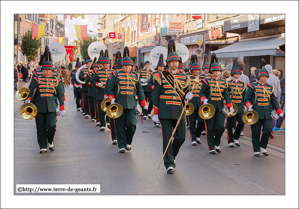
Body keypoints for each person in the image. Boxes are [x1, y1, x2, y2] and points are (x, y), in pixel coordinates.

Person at [152, 40, 192, 174]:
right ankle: (169, 163)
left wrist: (188, 95)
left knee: (181, 138)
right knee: (167, 138)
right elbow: (155, 95)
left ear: (179, 63)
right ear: (168, 63)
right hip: (164, 112)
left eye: (176, 62)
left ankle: (171, 156)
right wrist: (156, 112)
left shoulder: (184, 77)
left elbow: (186, 93)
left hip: (179, 111)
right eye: (172, 62)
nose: (174, 64)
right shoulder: (160, 76)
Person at [106, 46, 148, 153]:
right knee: (119, 126)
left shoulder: (136, 76)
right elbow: (109, 89)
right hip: (118, 104)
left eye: (129, 65)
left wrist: (143, 104)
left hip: (131, 104)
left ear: (132, 66)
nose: (127, 67)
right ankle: (122, 145)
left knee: (132, 125)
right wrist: (112, 99)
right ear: (122, 66)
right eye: (125, 65)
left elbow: (140, 91)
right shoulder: (116, 74)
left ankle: (129, 141)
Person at [244, 60, 282, 157]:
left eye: (266, 77)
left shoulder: (270, 87)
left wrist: (279, 111)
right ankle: (256, 149)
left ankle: (263, 146)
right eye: (262, 77)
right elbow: (247, 98)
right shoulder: (253, 86)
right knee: (256, 132)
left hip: (267, 113)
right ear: (259, 77)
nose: (264, 78)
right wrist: (249, 106)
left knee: (267, 131)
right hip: (255, 113)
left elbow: (274, 100)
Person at [27, 58, 65, 154]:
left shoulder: (56, 79)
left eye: (49, 70)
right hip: (39, 106)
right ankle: (43, 146)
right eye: (45, 70)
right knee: (40, 127)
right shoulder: (37, 78)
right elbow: (31, 89)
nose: (47, 71)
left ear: (52, 70)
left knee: (51, 125)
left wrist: (62, 106)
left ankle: (50, 140)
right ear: (43, 70)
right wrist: (29, 99)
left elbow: (60, 93)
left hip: (52, 106)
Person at [199, 53, 233, 154]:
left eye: (218, 71)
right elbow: (201, 92)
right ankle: (211, 147)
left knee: (221, 127)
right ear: (212, 72)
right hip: (209, 106)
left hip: (220, 107)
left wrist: (229, 106)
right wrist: (204, 99)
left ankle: (217, 143)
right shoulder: (206, 80)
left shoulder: (224, 81)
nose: (217, 73)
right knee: (210, 128)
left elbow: (226, 94)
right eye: (215, 71)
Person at [227, 58, 246, 148]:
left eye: (238, 73)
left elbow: (245, 96)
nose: (236, 75)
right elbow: (226, 95)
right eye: (235, 74)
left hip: (239, 105)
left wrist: (246, 105)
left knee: (241, 123)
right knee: (230, 124)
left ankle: (236, 137)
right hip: (231, 106)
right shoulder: (228, 83)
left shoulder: (242, 84)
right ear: (232, 74)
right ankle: (230, 140)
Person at [92, 49, 113, 131]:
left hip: (109, 93)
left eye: (108, 64)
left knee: (108, 108)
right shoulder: (98, 72)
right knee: (101, 110)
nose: (106, 65)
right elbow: (93, 81)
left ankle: (108, 121)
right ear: (103, 64)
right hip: (100, 92)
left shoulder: (112, 72)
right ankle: (102, 124)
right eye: (105, 64)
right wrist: (98, 84)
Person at [188, 60, 208, 146]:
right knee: (192, 121)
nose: (196, 71)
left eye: (197, 70)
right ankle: (193, 138)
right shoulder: (188, 79)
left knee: (201, 121)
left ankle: (198, 135)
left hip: (200, 101)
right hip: (191, 102)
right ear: (192, 71)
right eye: (194, 70)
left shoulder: (203, 79)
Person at [147, 53, 165, 128]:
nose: (161, 68)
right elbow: (149, 83)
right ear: (158, 67)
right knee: (155, 105)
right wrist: (153, 87)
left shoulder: (166, 74)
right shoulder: (154, 74)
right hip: (155, 93)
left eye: (163, 66)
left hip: (163, 93)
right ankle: (156, 121)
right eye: (160, 66)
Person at [264, 64, 281, 130]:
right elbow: (278, 90)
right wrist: (278, 100)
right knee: (273, 112)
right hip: (274, 98)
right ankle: (272, 127)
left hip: (265, 97)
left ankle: (267, 127)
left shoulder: (264, 77)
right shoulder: (276, 78)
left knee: (267, 112)